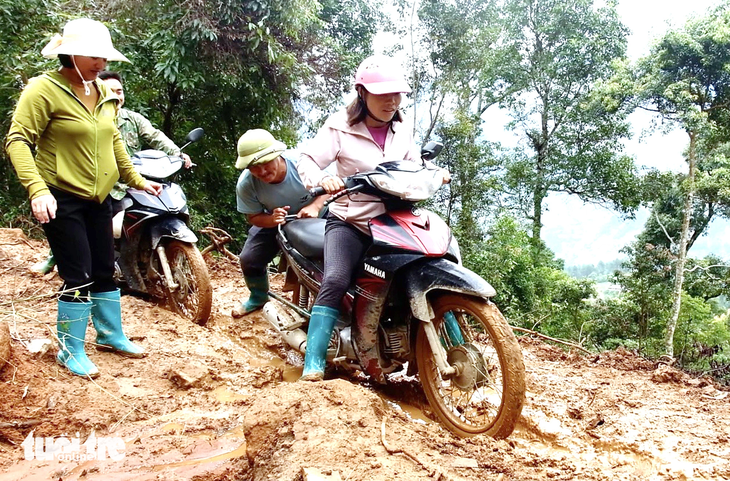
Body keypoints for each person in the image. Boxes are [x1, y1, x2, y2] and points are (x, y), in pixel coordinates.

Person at [5, 18, 163, 378]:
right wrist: (37, 189)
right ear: (70, 53)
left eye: (104, 57)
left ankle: (110, 335)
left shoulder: (104, 93)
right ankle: (70, 350)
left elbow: (114, 143)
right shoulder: (43, 90)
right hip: (62, 197)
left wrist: (137, 180)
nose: (101, 64)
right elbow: (17, 141)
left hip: (100, 197)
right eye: (93, 56)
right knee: (78, 273)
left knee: (105, 268)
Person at [296, 55, 451, 381]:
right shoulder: (339, 127)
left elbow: (412, 164)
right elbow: (308, 159)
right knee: (336, 279)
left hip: (396, 218)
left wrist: (434, 173)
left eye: (397, 95)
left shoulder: (401, 127)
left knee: (434, 262)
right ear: (362, 93)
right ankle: (314, 361)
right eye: (383, 94)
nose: (392, 102)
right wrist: (321, 181)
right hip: (351, 222)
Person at [29, 70, 192, 275]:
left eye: (120, 91)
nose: (117, 96)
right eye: (111, 90)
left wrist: (178, 153)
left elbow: (155, 136)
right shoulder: (87, 119)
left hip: (134, 181)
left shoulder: (132, 119)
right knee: (82, 226)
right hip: (105, 186)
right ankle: (56, 257)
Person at [232, 128, 327, 318]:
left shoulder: (302, 163)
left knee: (337, 253)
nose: (262, 171)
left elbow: (331, 187)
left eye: (266, 163)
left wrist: (315, 206)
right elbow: (253, 217)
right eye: (254, 167)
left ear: (278, 155)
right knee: (249, 259)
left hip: (320, 216)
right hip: (277, 221)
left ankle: (327, 303)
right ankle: (258, 297)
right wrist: (271, 219)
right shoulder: (246, 184)